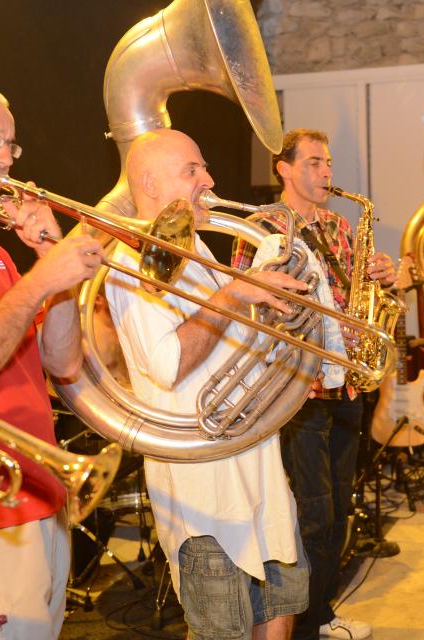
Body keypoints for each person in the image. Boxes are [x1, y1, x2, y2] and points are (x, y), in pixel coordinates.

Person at [105, 128, 310, 640]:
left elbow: (233, 342)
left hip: (258, 469)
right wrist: (239, 294)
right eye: (192, 169)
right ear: (150, 181)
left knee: (280, 608)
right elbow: (168, 362)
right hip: (204, 497)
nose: (210, 180)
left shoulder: (197, 246)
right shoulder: (130, 260)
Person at [232, 128, 396, 640]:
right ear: (283, 168)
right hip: (296, 389)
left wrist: (382, 277)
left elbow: (353, 293)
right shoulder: (261, 227)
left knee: (339, 503)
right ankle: (298, 623)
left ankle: (321, 611)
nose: (327, 172)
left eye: (329, 162)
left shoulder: (339, 225)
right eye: (315, 162)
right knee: (312, 512)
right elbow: (245, 300)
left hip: (345, 383)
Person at [0, 84, 103, 638]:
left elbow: (64, 361)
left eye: (11, 144)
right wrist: (38, 286)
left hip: (43, 501)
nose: (4, 157)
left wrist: (53, 267)